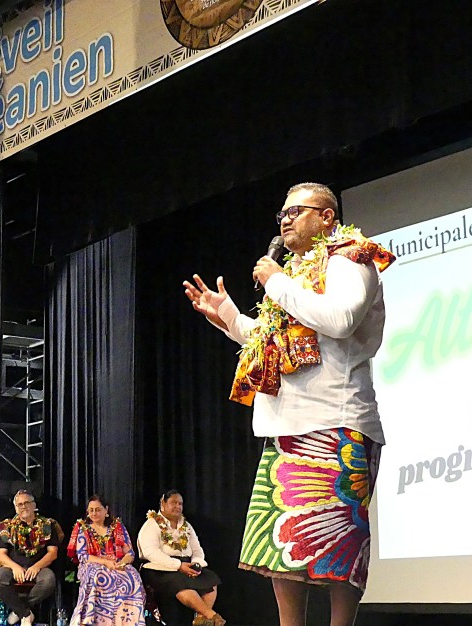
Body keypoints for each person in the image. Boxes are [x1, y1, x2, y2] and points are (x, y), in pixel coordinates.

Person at [182, 182, 395, 626]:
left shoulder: (350, 258)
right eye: (282, 213)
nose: (285, 220)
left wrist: (276, 281)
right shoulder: (295, 273)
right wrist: (228, 315)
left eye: (296, 211)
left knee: (339, 544)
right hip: (286, 427)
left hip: (337, 422)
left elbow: (339, 319)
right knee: (282, 545)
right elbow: (273, 342)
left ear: (327, 217)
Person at [137, 490, 224, 626]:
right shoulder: (151, 524)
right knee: (180, 582)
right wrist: (178, 566)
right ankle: (211, 616)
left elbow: (197, 550)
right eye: (173, 503)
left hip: (186, 566)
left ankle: (201, 619)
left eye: (180, 504)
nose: (177, 506)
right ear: (163, 504)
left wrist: (196, 565)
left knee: (210, 579)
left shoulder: (186, 526)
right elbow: (150, 552)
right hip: (158, 567)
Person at [0, 489, 64, 626]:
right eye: (20, 504)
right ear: (16, 508)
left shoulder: (47, 525)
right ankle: (26, 614)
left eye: (27, 503)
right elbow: (0, 555)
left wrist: (37, 567)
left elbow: (52, 553)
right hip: (12, 567)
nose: (23, 507)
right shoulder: (7, 526)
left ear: (34, 505)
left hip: (38, 567)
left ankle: (19, 611)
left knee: (49, 580)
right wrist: (15, 567)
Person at [66, 494, 145, 626]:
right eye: (91, 510)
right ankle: (94, 621)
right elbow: (83, 556)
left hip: (116, 563)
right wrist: (106, 562)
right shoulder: (83, 528)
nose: (94, 513)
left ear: (106, 510)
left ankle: (127, 621)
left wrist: (122, 563)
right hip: (92, 564)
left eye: (98, 510)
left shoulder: (117, 526)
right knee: (99, 575)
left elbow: (130, 553)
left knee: (132, 575)